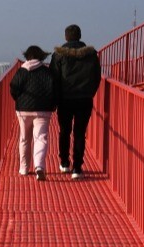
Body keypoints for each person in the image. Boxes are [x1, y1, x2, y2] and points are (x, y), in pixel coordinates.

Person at [50, 24, 101, 179]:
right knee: (80, 133)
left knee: (65, 131)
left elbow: (54, 78)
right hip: (84, 99)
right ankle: (77, 168)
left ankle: (64, 162)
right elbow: (96, 77)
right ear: (80, 36)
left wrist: (56, 99)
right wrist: (90, 93)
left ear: (66, 37)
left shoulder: (58, 55)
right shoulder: (91, 55)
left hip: (65, 100)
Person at [10, 45, 57, 181]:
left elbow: (13, 87)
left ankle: (24, 168)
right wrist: (52, 105)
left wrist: (18, 100)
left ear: (27, 57)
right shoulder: (48, 72)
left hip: (24, 110)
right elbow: (54, 90)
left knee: (24, 139)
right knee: (41, 138)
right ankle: (39, 167)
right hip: (43, 110)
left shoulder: (22, 71)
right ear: (41, 57)